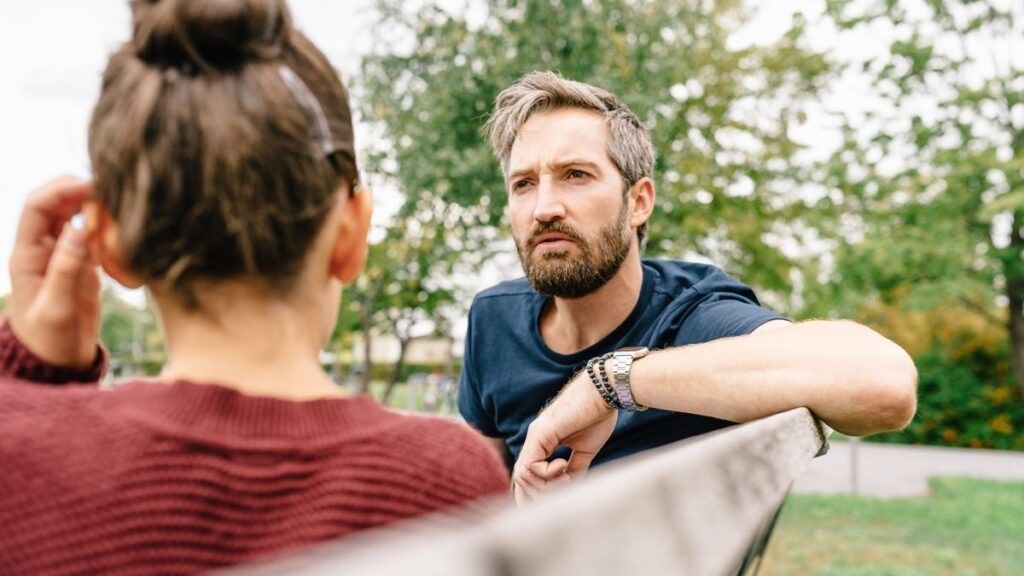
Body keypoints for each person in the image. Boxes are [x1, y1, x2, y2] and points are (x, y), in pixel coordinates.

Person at [0, 1, 507, 573]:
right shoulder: (449, 482)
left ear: (108, 246)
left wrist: (32, 369)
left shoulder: (17, 460)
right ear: (352, 232)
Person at [456, 71, 918, 503]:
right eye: (523, 184)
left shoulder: (692, 314)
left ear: (638, 202)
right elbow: (476, 493)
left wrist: (608, 384)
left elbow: (886, 383)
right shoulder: (493, 319)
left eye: (576, 175)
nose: (544, 207)